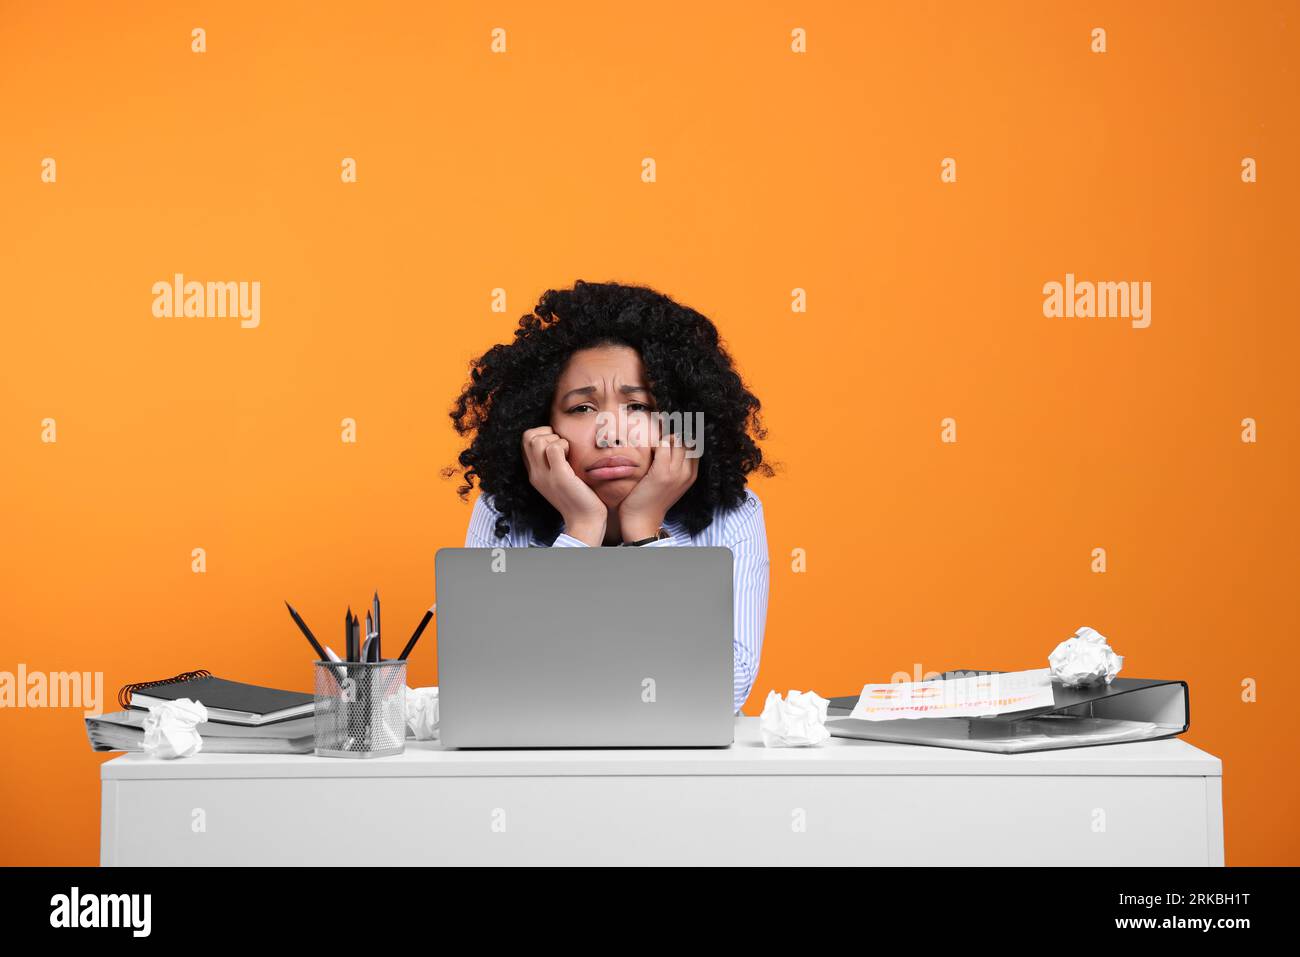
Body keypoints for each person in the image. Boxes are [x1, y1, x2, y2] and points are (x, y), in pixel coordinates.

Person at [445, 279, 775, 713]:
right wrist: (581, 531)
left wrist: (645, 530)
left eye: (639, 406)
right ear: (543, 428)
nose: (611, 432)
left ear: (679, 421)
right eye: (582, 408)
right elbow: (492, 687)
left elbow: (722, 692)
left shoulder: (732, 515)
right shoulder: (501, 512)